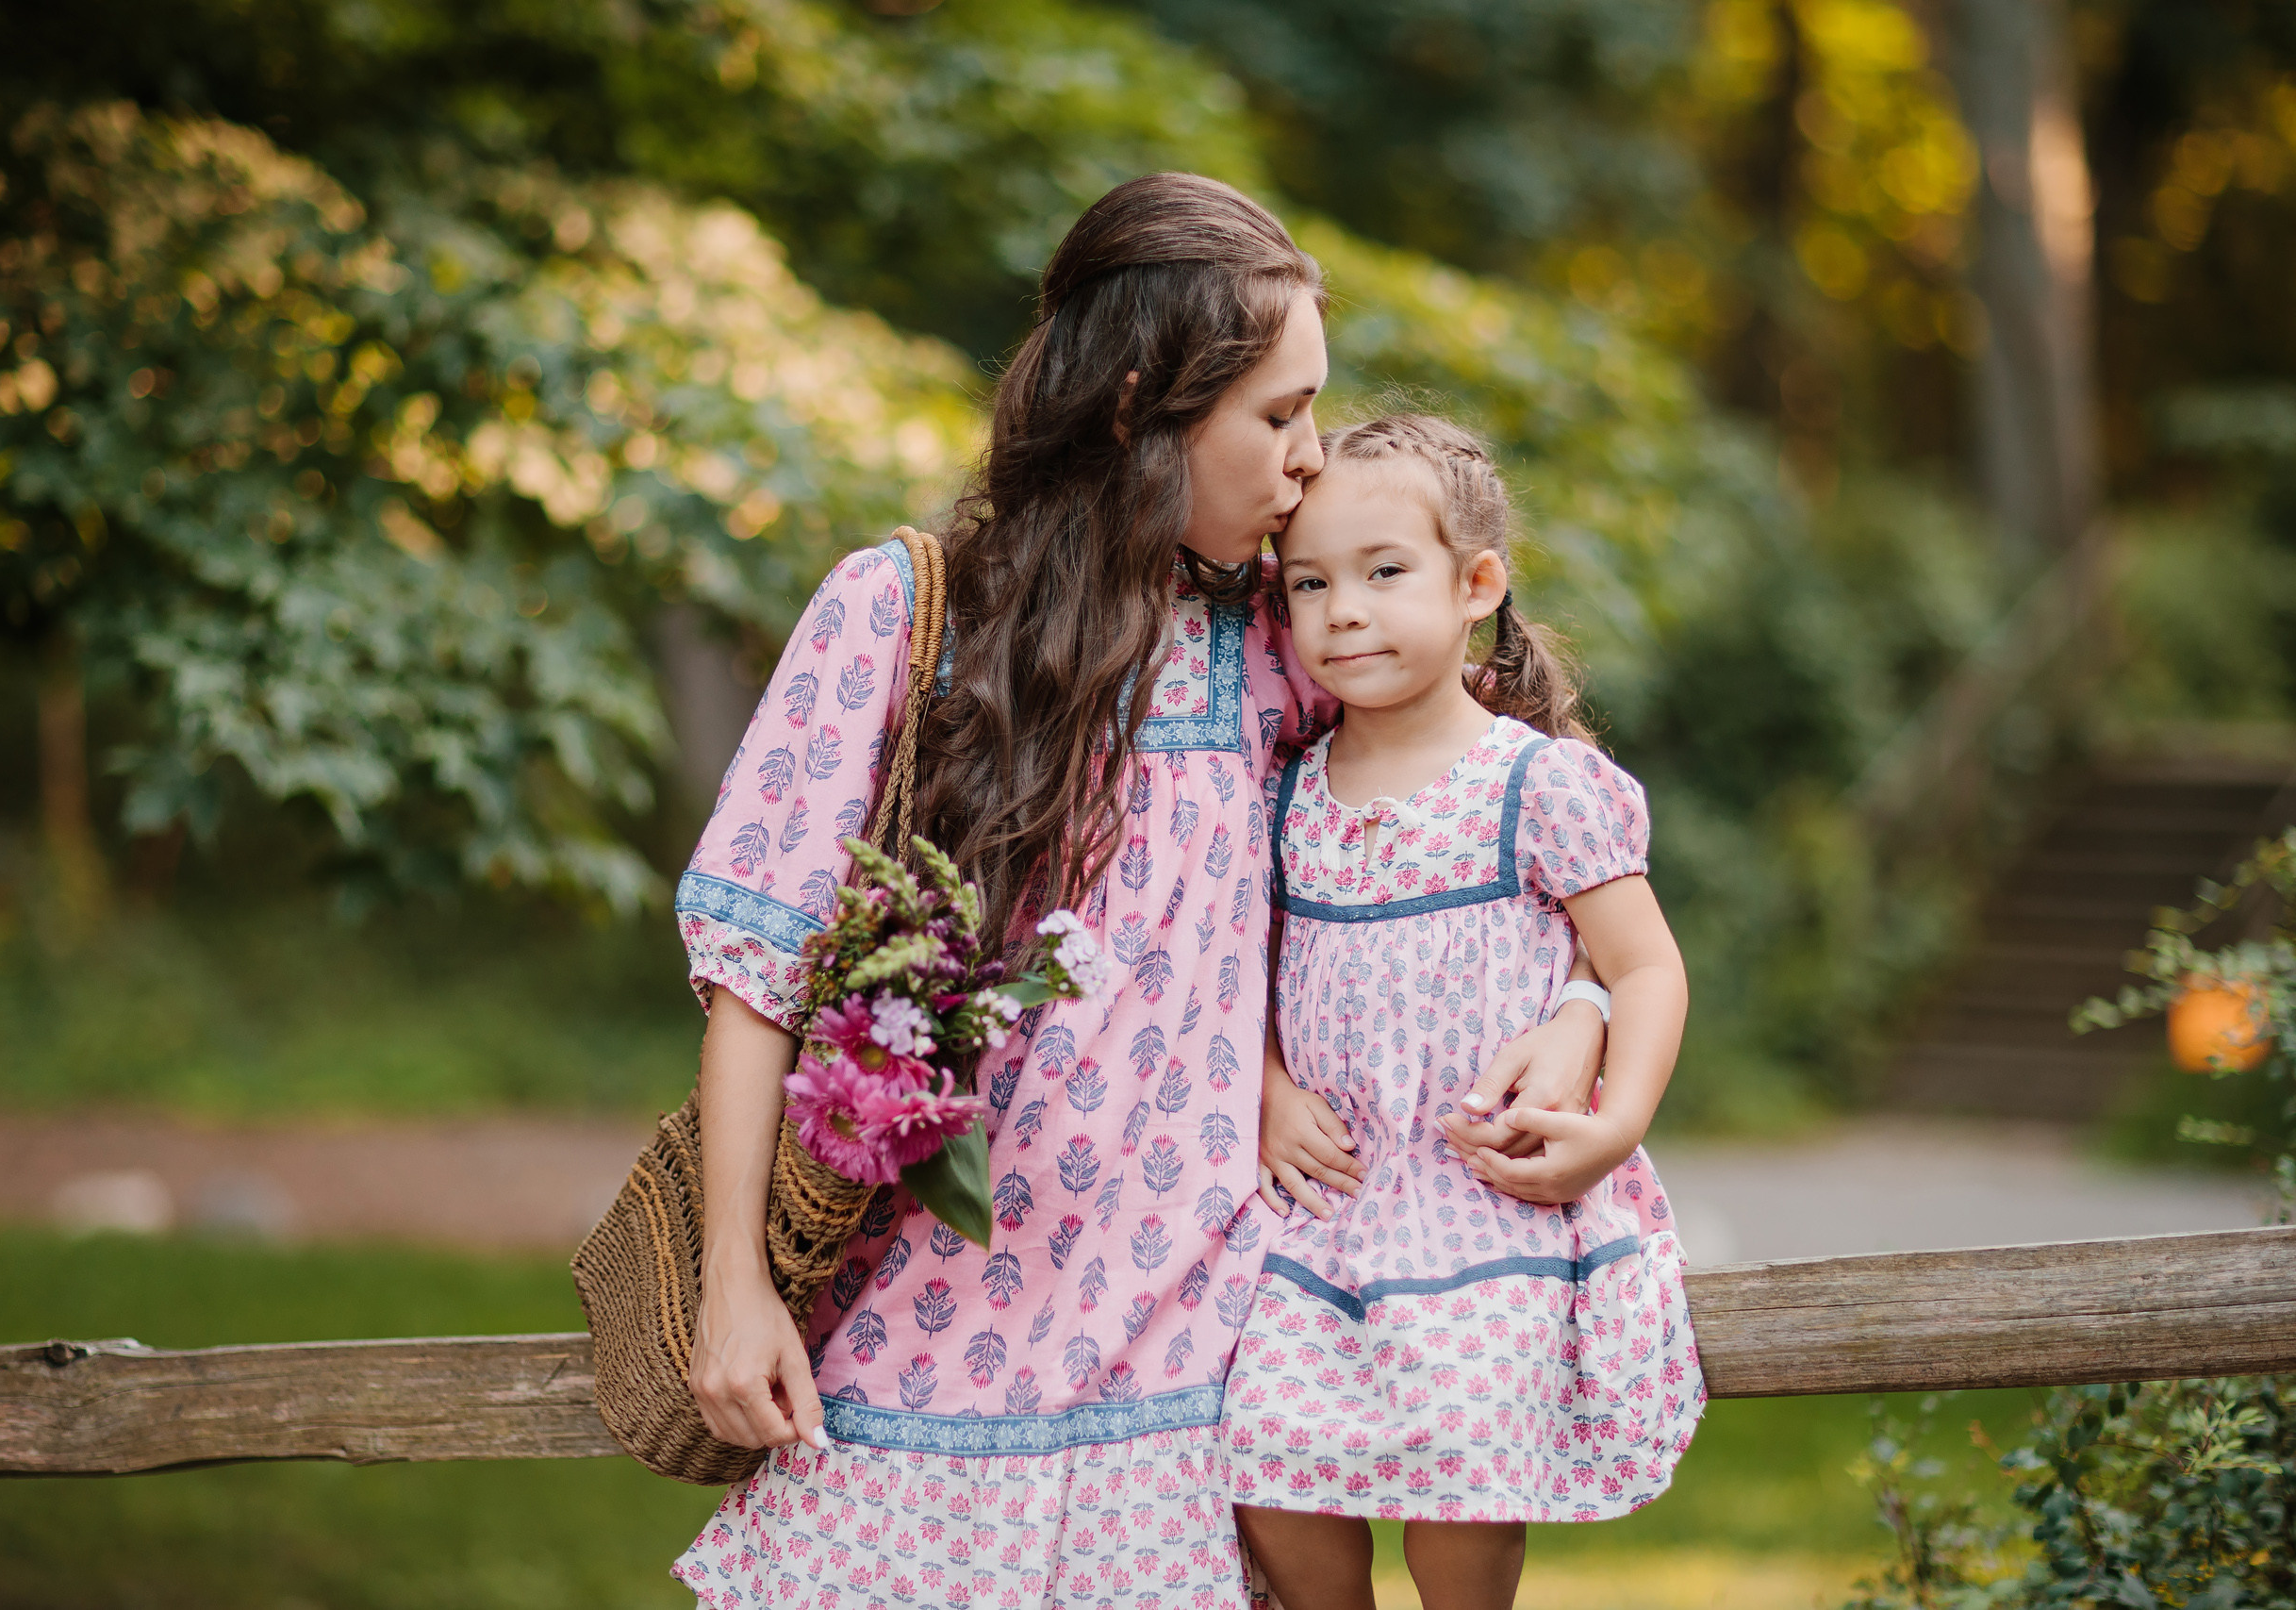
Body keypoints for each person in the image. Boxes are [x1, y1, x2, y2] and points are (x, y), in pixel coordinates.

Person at [668, 177, 1610, 1609]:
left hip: (1194, 1360)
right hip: (918, 1339)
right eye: (1278, 416)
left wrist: (1591, 999)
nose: (1308, 462)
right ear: (1136, 408)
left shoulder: (1286, 636)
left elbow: (1523, 820)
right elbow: (759, 966)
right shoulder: (906, 613)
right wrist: (733, 1280)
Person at [1226, 415, 1701, 1610]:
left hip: (1480, 1206)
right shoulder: (1282, 793)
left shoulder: (1536, 783)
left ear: (1476, 582)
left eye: (1385, 572)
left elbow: (1642, 967)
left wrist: (1616, 1124)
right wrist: (1273, 1091)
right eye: (1309, 583)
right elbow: (1242, 978)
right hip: (1325, 1205)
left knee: (1460, 1471)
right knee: (1270, 1457)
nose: (1343, 610)